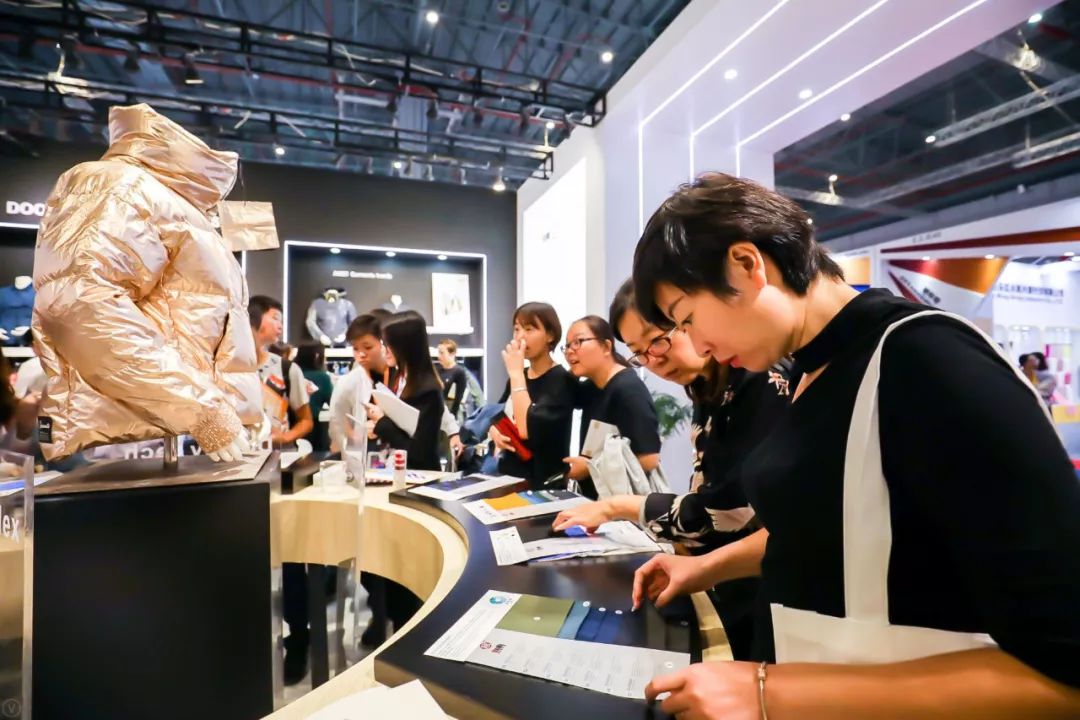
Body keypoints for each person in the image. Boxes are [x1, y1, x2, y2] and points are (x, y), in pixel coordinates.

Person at [628, 173, 1080, 718]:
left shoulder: (927, 361)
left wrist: (770, 692)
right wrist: (707, 568)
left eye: (689, 318)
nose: (698, 344)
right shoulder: (813, 370)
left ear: (747, 265)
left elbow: (1063, 669)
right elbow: (836, 528)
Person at [553, 280, 792, 660]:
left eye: (657, 340)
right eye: (639, 352)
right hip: (735, 577)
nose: (654, 360)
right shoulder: (706, 384)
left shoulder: (756, 375)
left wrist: (617, 506)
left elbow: (725, 510)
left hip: (775, 593)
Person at [562, 315, 660, 494]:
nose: (569, 351)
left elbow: (649, 459)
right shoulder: (592, 385)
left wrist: (591, 467)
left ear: (606, 346)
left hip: (625, 504)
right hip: (599, 499)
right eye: (567, 346)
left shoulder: (628, 389)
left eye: (577, 342)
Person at [488, 302, 574, 489]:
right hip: (508, 475)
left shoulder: (560, 379)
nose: (520, 337)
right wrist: (494, 431)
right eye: (516, 329)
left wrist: (516, 374)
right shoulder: (520, 375)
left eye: (529, 329)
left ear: (550, 335)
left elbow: (527, 428)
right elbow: (500, 414)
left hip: (542, 482)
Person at [365, 313, 444, 471]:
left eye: (389, 345)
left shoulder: (429, 391)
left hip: (420, 476)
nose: (385, 351)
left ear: (405, 347)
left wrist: (381, 422)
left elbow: (419, 451)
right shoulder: (398, 377)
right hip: (397, 469)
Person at [249, 295, 313, 448]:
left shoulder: (287, 369)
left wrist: (285, 437)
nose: (280, 326)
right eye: (275, 318)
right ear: (253, 319)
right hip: (238, 456)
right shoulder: (228, 368)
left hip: (278, 456)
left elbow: (306, 420)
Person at [294, 342, 334, 452]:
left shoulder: (291, 372)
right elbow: (332, 401)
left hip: (291, 425)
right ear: (317, 356)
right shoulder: (322, 378)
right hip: (315, 427)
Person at [436, 339, 468, 421]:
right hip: (438, 413)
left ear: (452, 354)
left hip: (451, 415)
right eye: (438, 352)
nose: (439, 356)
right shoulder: (437, 370)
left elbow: (458, 398)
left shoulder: (459, 372)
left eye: (442, 353)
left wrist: (452, 418)